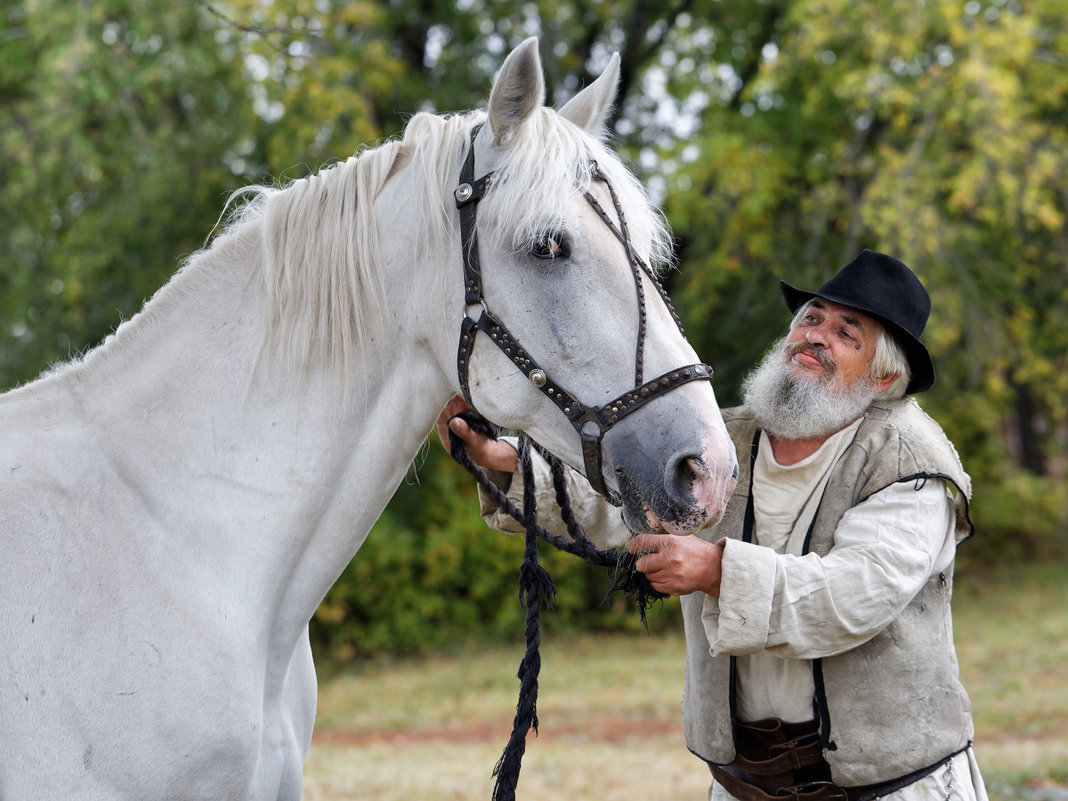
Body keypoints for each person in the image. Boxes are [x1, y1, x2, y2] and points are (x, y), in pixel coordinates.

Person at [437, 249, 987, 801]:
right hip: (743, 784)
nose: (817, 336)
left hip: (894, 788)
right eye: (812, 318)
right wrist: (508, 461)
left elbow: (854, 593)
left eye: (848, 333)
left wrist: (717, 571)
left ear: (885, 374)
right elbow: (621, 504)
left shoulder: (911, 459)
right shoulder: (728, 440)